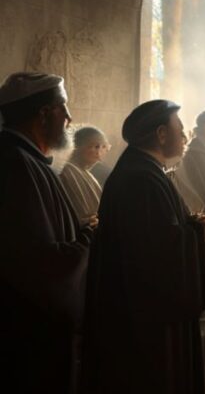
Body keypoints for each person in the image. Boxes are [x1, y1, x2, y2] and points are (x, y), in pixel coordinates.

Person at [82, 100, 205, 393]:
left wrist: (188, 225)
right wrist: (200, 233)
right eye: (179, 130)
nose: (184, 137)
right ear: (161, 134)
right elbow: (157, 251)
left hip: (144, 309)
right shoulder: (140, 179)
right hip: (147, 316)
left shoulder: (143, 170)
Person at [0, 72, 94, 394]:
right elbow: (37, 262)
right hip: (28, 329)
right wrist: (88, 240)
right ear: (43, 114)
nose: (69, 118)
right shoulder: (15, 164)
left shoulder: (28, 160)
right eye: (62, 108)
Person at [60, 126, 108, 224]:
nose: (99, 153)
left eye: (103, 147)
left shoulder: (87, 174)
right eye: (95, 146)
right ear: (76, 147)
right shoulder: (66, 171)